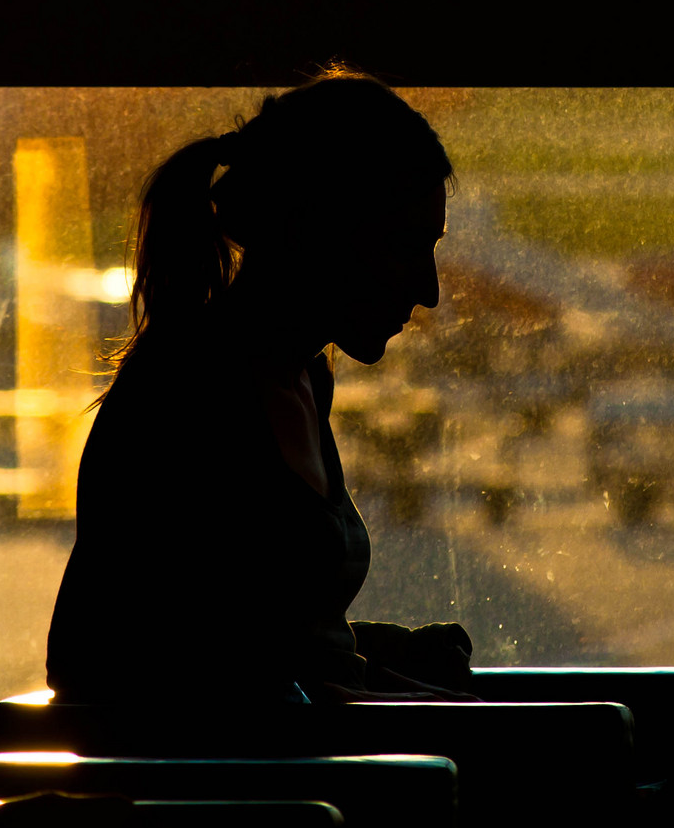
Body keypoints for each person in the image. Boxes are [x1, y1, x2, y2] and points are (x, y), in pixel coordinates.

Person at [46, 68, 476, 704]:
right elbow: (109, 661)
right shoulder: (188, 398)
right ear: (325, 234)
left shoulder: (302, 378)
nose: (430, 290)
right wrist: (368, 696)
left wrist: (373, 655)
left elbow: (245, 635)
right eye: (405, 247)